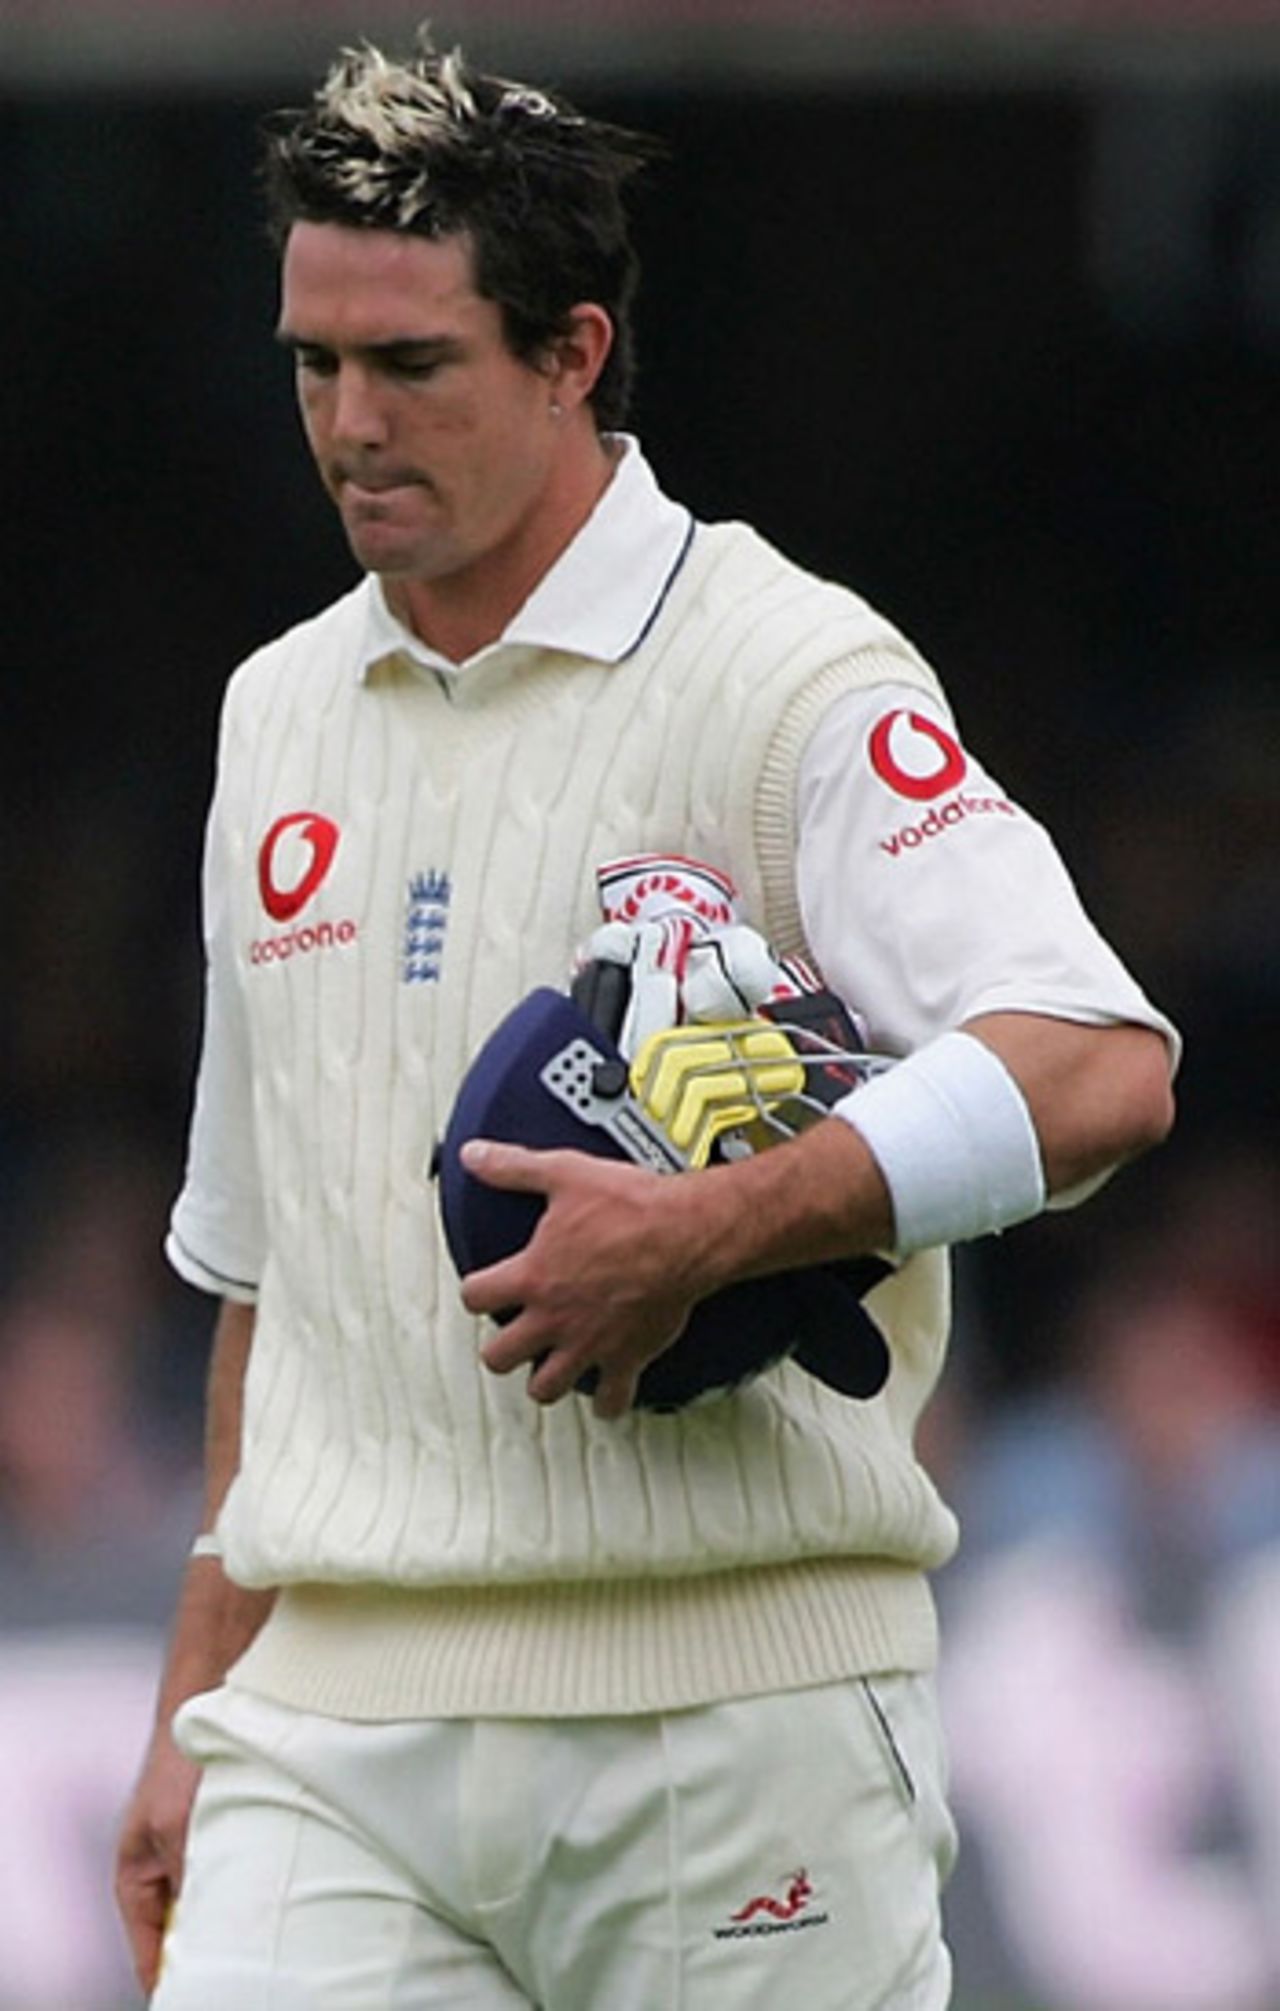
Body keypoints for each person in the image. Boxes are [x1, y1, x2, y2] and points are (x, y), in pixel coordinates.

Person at [115, 29, 1177, 2010]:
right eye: (312, 364)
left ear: (571, 353)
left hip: (734, 1723)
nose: (349, 423)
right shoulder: (274, 713)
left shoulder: (789, 673)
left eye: (410, 363)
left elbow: (1098, 1063)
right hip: (325, 1744)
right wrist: (200, 1690)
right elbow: (269, 1266)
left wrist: (707, 1230)